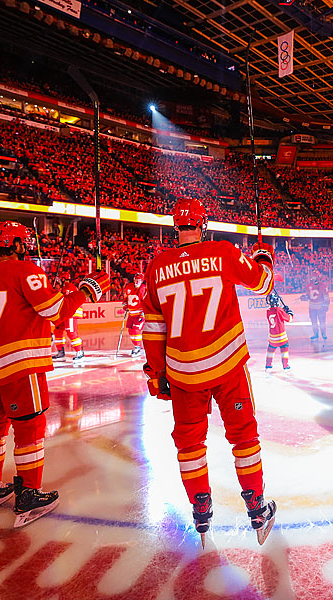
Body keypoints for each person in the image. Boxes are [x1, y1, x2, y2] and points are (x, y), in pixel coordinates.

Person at [141, 198, 278, 547]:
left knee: (189, 444)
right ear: (203, 225)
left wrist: (157, 374)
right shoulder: (222, 251)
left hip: (183, 372)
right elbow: (262, 284)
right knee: (244, 436)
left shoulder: (157, 266)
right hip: (228, 364)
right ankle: (256, 507)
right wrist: (264, 257)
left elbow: (153, 328)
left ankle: (201, 509)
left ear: (177, 228)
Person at [0, 221, 109, 527]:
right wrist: (87, 290)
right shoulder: (25, 270)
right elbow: (57, 313)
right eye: (24, 242)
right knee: (29, 428)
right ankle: (28, 492)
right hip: (18, 362)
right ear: (17, 245)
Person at [52, 280, 85, 364]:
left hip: (71, 312)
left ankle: (80, 352)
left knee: (71, 332)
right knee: (58, 331)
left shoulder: (69, 287)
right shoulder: (64, 288)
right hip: (65, 312)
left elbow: (66, 299)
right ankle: (60, 352)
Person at [264, 291, 293, 370]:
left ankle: (268, 365)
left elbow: (277, 312)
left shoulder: (268, 311)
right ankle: (285, 365)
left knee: (270, 350)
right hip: (281, 337)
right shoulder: (279, 310)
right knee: (284, 349)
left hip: (272, 338)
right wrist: (289, 312)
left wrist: (283, 310)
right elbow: (289, 319)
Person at [121, 272, 146, 358]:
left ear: (142, 281)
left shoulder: (143, 288)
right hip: (131, 314)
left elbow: (146, 302)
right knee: (131, 331)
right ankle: (137, 345)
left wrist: (144, 313)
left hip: (139, 314)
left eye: (139, 280)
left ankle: (138, 347)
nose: (137, 281)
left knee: (136, 330)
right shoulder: (129, 287)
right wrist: (125, 305)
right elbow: (126, 298)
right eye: (136, 279)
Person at [302, 271, 329, 341]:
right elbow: (308, 296)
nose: (313, 278)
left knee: (322, 322)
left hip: (320, 307)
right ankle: (316, 334)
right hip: (312, 307)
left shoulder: (322, 285)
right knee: (313, 322)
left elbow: (326, 296)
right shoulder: (309, 285)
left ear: (317, 277)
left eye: (314, 276)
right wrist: (304, 298)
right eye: (312, 276)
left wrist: (326, 305)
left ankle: (323, 334)